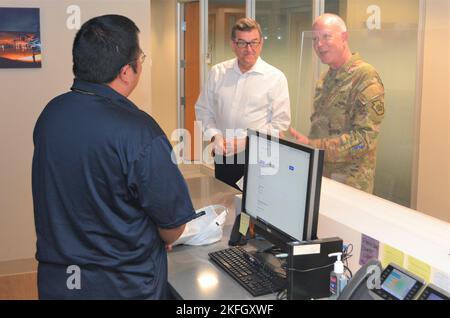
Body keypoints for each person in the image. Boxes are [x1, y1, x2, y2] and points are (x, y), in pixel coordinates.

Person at [32, 15, 196, 299]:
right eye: (141, 57)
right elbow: (172, 228)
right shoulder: (141, 132)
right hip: (123, 287)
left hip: (59, 283)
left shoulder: (51, 114)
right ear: (125, 71)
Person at [289, 13, 385, 194]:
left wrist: (313, 145)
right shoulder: (325, 78)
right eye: (315, 39)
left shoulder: (365, 77)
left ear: (344, 37)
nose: (319, 45)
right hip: (321, 176)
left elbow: (365, 140)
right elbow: (320, 127)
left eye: (326, 36)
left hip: (350, 184)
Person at [195, 18, 291, 190]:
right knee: (225, 200)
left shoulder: (275, 78)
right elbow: (203, 110)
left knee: (254, 209)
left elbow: (280, 124)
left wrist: (247, 141)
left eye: (254, 42)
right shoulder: (218, 73)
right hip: (224, 153)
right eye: (242, 43)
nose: (249, 49)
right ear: (233, 44)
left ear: (261, 43)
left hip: (259, 156)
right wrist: (214, 136)